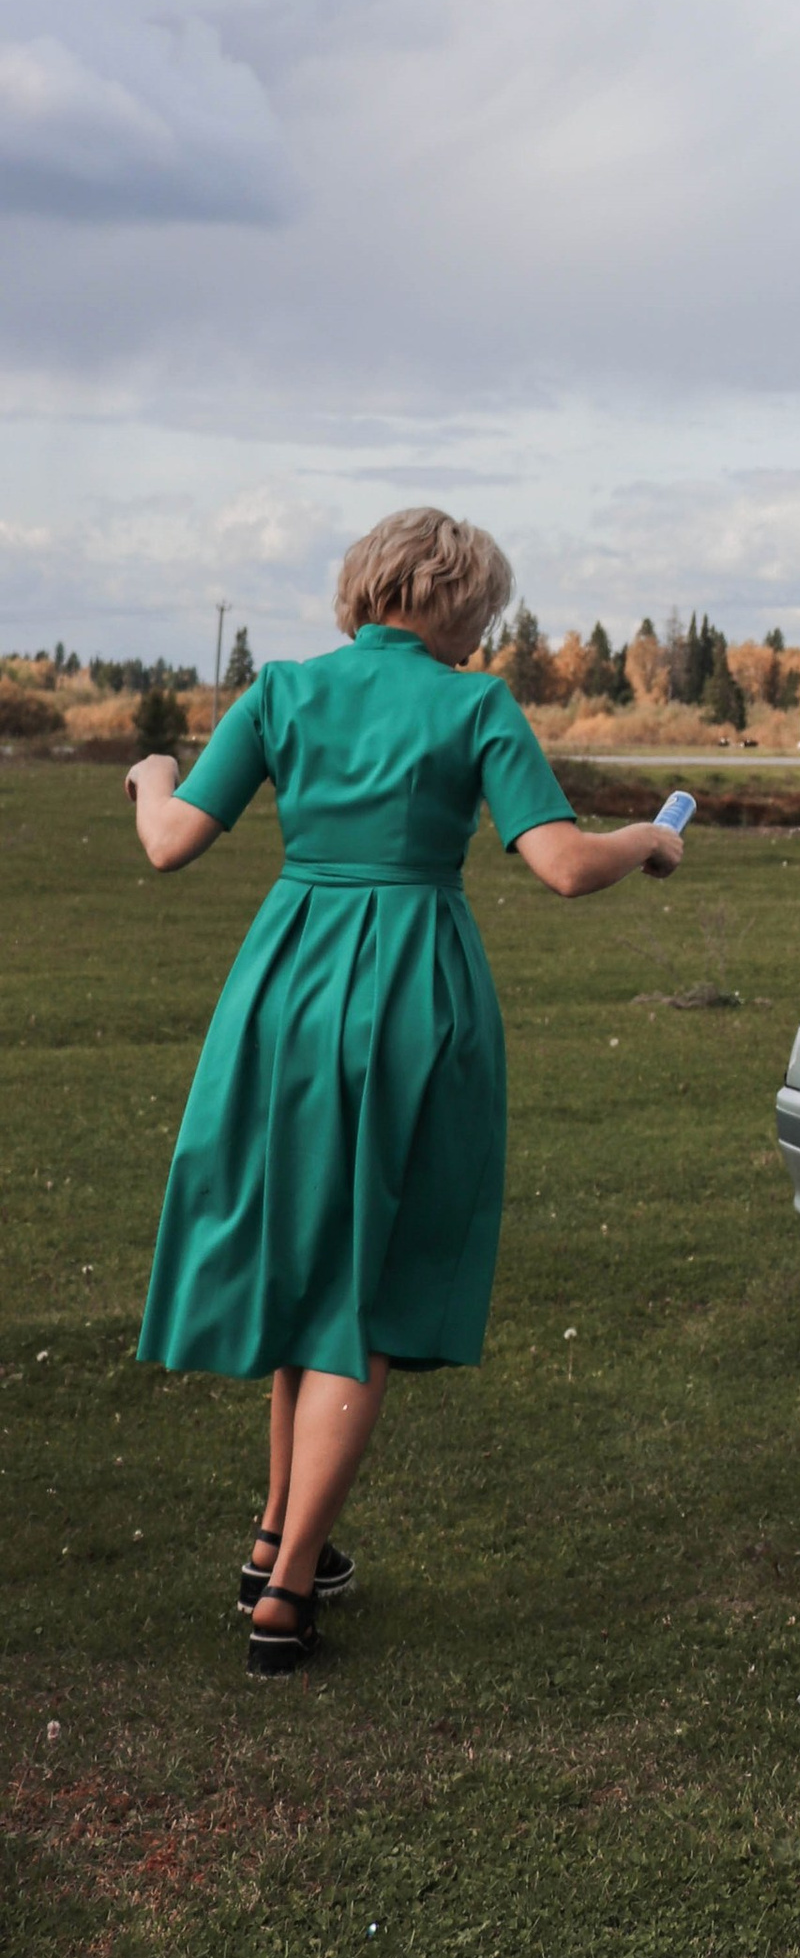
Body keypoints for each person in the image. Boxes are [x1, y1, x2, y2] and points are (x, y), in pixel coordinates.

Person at [131, 508, 686, 1680]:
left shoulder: (282, 689)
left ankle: (279, 1538)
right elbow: (562, 865)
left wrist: (151, 773)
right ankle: (283, 1598)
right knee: (368, 1284)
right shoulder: (473, 705)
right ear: (466, 606)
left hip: (284, 986)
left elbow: (169, 842)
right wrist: (646, 835)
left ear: (366, 583)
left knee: (306, 1259)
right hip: (407, 996)